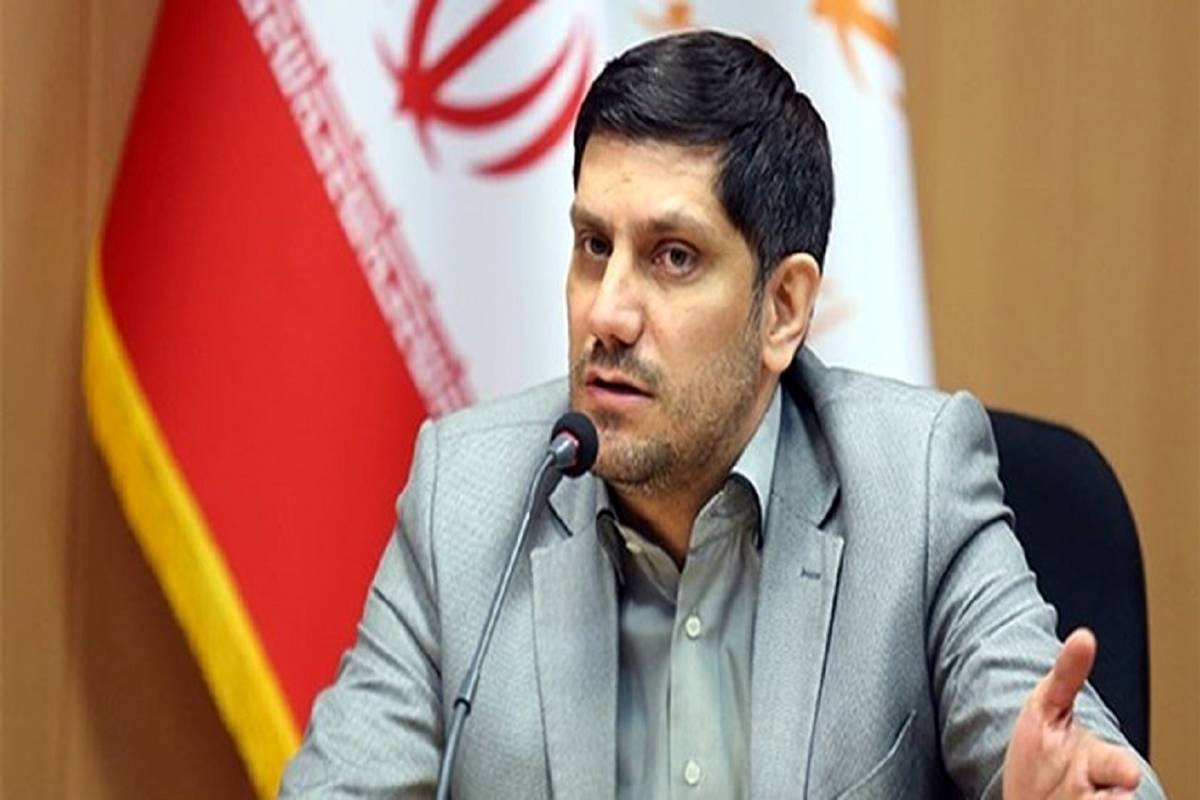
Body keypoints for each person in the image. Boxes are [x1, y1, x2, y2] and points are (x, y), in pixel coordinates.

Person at [280, 31, 1163, 798]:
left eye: (673, 257)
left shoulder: (914, 487)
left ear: (783, 308)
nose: (608, 313)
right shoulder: (467, 497)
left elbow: (1080, 761)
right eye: (594, 246)